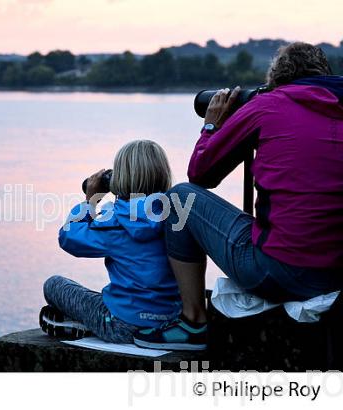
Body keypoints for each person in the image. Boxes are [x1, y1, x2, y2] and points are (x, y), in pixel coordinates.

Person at [134, 42, 343, 350]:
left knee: (180, 199)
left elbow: (201, 175)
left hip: (278, 271)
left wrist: (212, 126)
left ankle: (192, 322)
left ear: (276, 79)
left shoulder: (268, 104)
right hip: (335, 272)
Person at [40, 140, 183, 344]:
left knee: (53, 284)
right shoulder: (178, 213)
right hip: (172, 323)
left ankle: (87, 325)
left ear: (120, 178)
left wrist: (91, 200)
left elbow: (68, 237)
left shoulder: (116, 220)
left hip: (122, 326)